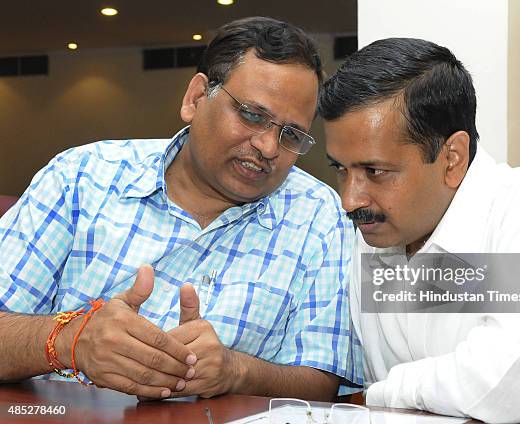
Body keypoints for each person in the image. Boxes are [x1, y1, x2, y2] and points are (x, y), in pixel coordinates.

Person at [0, 17, 362, 401]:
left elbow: (323, 382)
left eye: (290, 134)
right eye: (253, 115)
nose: (269, 148)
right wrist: (72, 340)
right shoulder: (81, 179)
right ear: (195, 98)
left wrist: (235, 370)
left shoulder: (320, 217)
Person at [319, 37, 520, 423]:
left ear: (452, 158)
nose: (350, 200)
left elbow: (515, 378)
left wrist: (378, 395)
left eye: (375, 171)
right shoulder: (377, 231)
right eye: (341, 168)